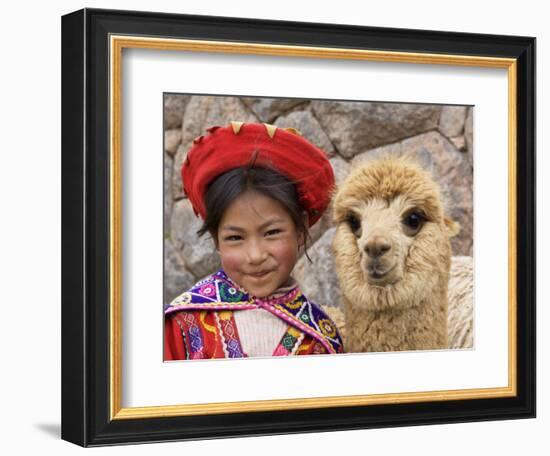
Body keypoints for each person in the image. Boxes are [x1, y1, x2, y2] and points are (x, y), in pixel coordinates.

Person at [164, 121, 344, 360]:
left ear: (300, 230)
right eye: (235, 237)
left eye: (271, 233)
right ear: (217, 240)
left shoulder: (322, 339)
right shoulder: (182, 324)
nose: (256, 255)